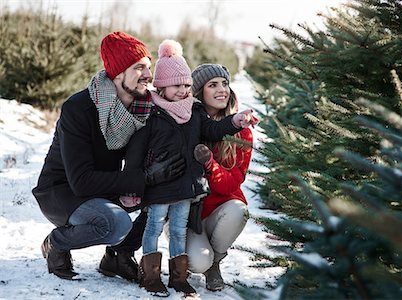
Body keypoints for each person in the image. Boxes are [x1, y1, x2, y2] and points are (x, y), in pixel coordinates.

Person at [31, 32, 185, 281]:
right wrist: (145, 177)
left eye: (149, 66)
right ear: (118, 73)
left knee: (164, 195)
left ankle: (118, 257)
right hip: (63, 192)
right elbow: (81, 181)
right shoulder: (79, 108)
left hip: (104, 187)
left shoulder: (141, 108)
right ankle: (57, 243)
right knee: (116, 223)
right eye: (139, 68)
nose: (148, 75)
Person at [120, 40, 258, 297]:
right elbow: (136, 154)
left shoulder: (194, 112)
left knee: (177, 229)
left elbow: (214, 130)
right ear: (161, 86)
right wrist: (134, 184)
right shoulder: (153, 114)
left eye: (186, 85)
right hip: (160, 187)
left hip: (186, 187)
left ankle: (179, 277)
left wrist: (236, 121)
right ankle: (150, 275)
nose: (183, 90)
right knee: (153, 226)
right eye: (177, 85)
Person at [185, 63, 254, 291]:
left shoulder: (241, 132)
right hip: (189, 215)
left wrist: (209, 162)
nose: (221, 89)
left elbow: (229, 185)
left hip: (222, 210)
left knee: (239, 210)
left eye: (225, 84)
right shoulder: (187, 126)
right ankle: (199, 258)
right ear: (199, 92)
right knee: (197, 263)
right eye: (212, 85)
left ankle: (215, 263)